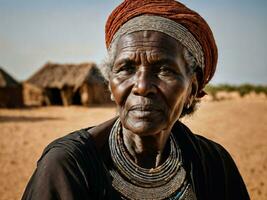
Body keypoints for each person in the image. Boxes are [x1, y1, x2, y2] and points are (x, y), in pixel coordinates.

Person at [22, 0, 250, 199]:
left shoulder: (214, 164)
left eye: (164, 70)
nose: (141, 86)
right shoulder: (67, 167)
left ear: (193, 87)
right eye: (126, 69)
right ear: (111, 85)